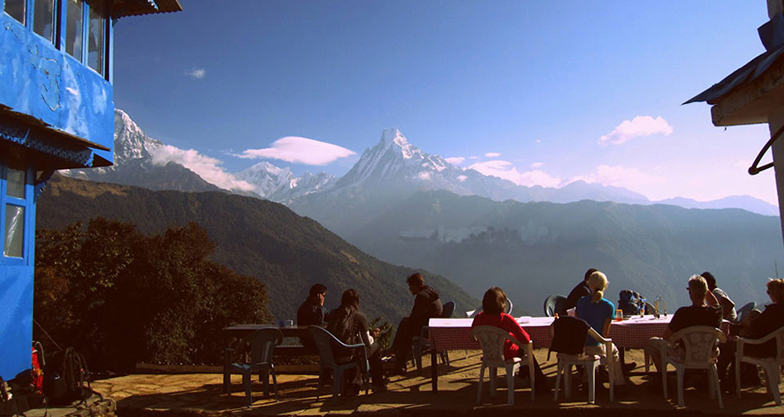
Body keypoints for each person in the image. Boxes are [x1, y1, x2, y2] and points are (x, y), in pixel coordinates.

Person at [472, 287, 550, 392]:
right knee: (527, 352)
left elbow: (472, 336)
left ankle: (524, 375)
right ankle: (540, 383)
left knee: (523, 351)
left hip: (490, 353)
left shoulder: (479, 318)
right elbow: (526, 339)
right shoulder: (505, 319)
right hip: (509, 353)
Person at [645, 275, 722, 373]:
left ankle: (663, 378)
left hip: (685, 355)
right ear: (706, 292)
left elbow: (666, 336)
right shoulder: (716, 312)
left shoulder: (683, 313)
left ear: (690, 293)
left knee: (652, 343)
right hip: (708, 353)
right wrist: (704, 289)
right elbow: (716, 304)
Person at [718, 278, 784, 390]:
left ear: (775, 293)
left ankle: (723, 381)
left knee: (727, 346)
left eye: (769, 292)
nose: (768, 295)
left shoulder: (773, 310)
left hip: (764, 348)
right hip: (776, 347)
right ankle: (743, 378)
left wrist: (748, 321)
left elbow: (756, 327)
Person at [326, 289, 386, 394]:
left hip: (332, 355)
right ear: (357, 301)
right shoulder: (359, 317)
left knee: (359, 351)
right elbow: (368, 342)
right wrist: (373, 336)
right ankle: (377, 384)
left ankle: (353, 384)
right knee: (375, 348)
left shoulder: (333, 314)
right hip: (349, 355)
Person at [576, 270, 627, 388]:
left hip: (581, 346)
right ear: (605, 286)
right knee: (614, 352)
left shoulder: (581, 302)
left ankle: (588, 381)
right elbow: (604, 334)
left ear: (589, 285)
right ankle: (618, 383)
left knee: (590, 354)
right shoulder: (608, 306)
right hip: (596, 347)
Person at [389, 272, 443, 375]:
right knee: (405, 325)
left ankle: (398, 360)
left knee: (405, 331)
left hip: (427, 330)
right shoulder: (430, 292)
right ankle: (396, 354)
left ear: (415, 285)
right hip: (433, 326)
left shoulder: (421, 297)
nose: (410, 289)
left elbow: (415, 317)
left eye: (410, 286)